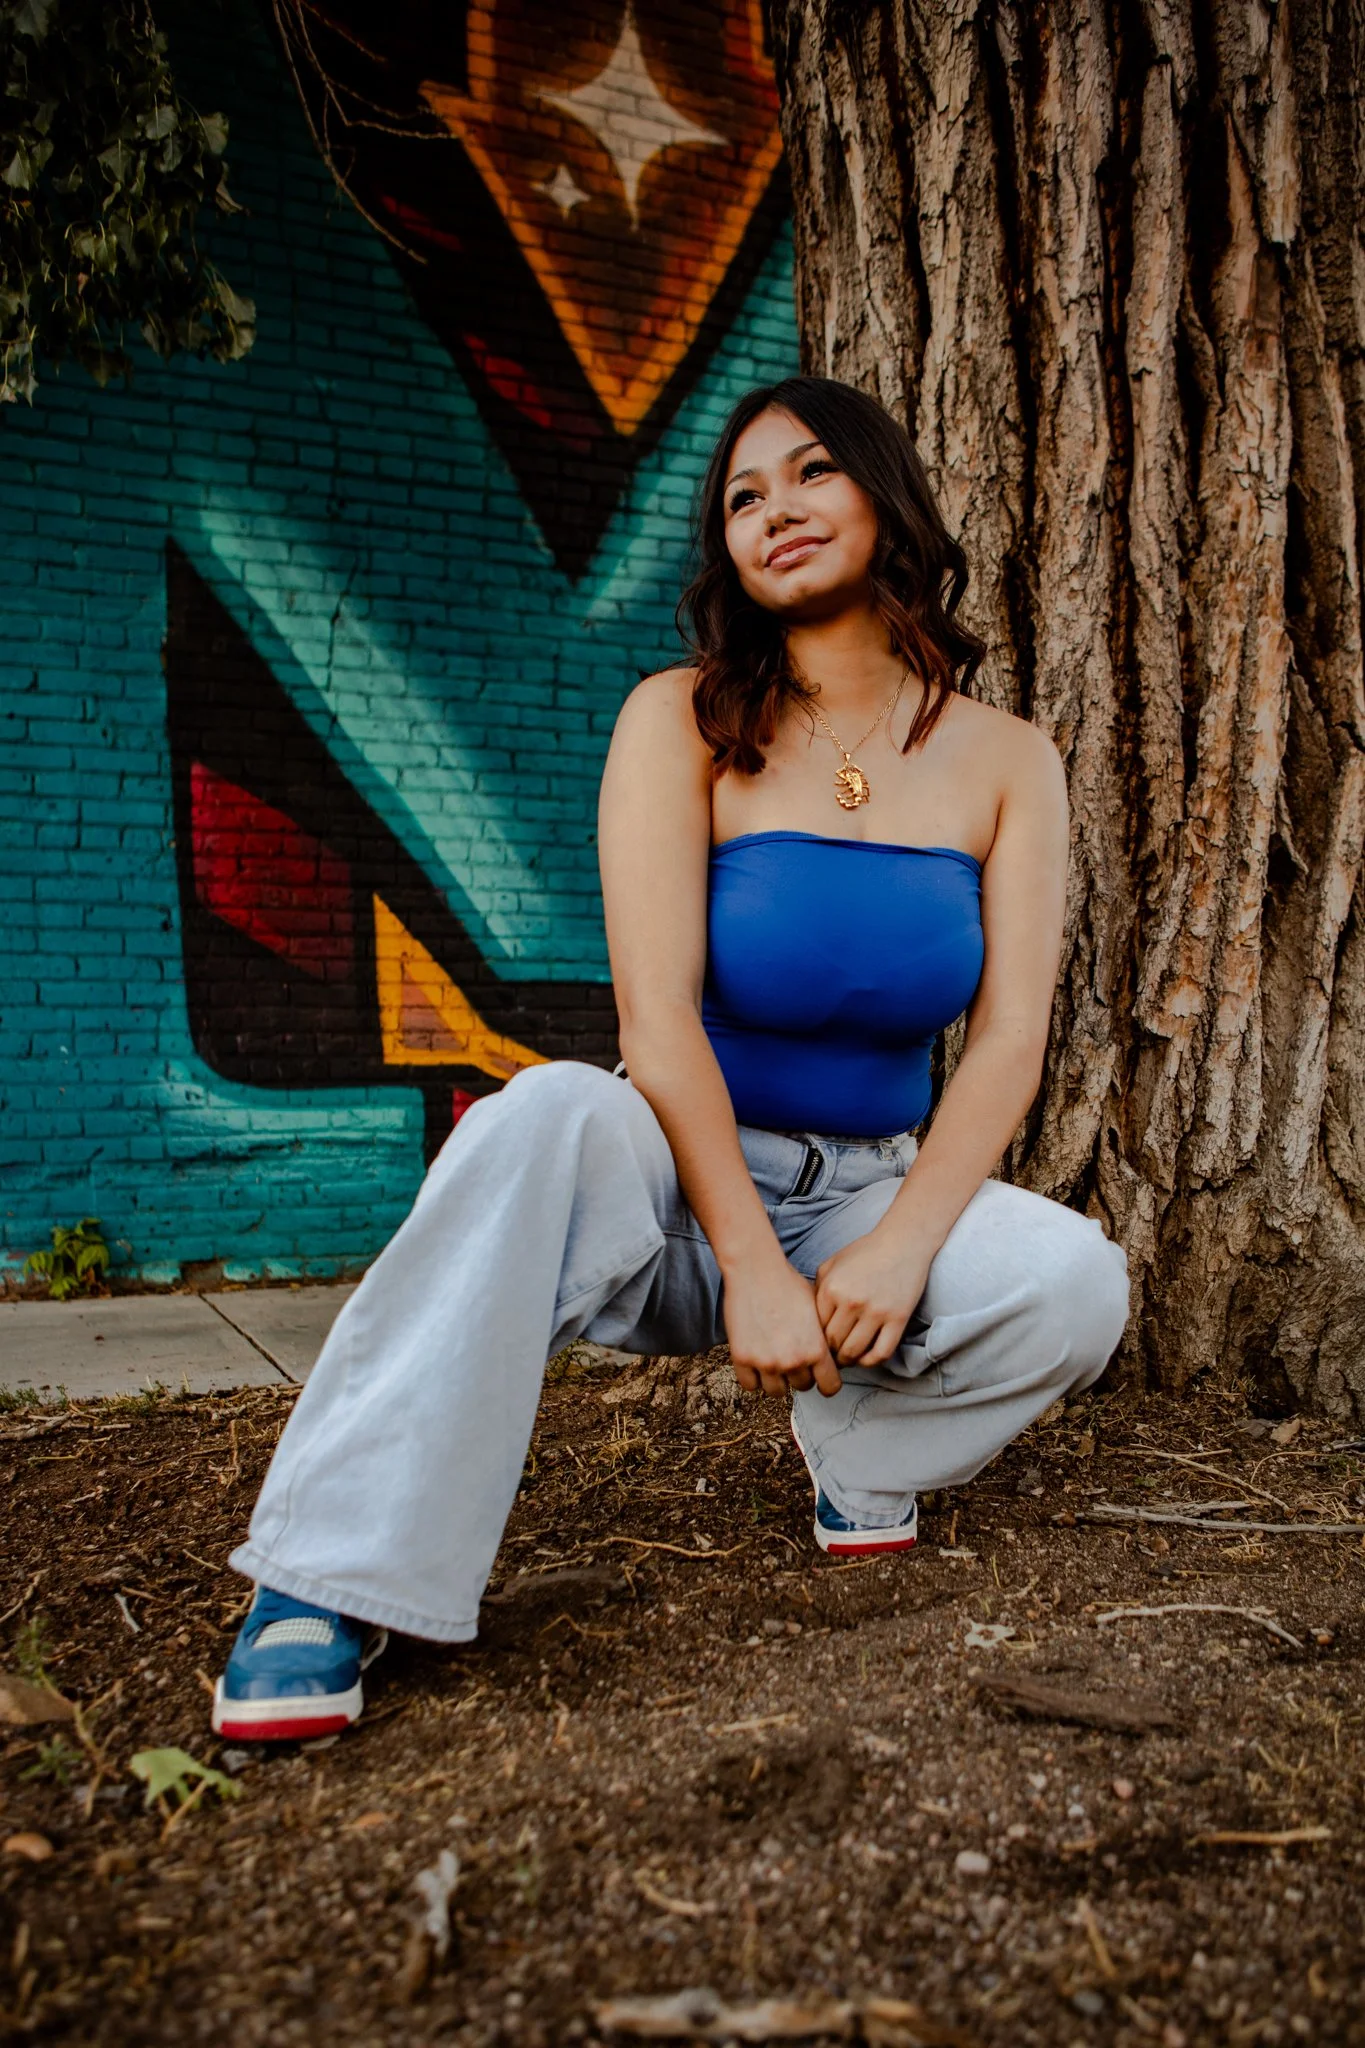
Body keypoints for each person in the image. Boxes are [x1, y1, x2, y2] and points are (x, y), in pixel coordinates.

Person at [211, 376, 1131, 1742]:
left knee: (1077, 1286)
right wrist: (750, 1263)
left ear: (887, 497)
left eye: (810, 473)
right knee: (538, 1113)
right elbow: (657, 1019)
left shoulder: (1009, 760)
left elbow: (1007, 1040)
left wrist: (893, 1250)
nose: (776, 511)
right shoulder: (680, 717)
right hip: (675, 1185)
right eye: (744, 498)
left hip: (865, 1200)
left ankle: (861, 1452)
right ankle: (326, 1578)